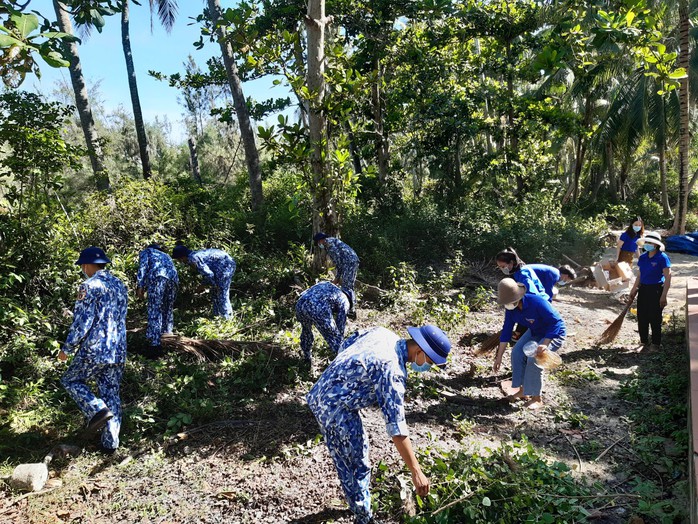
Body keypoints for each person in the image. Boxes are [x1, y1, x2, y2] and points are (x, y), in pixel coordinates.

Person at [307, 325, 451, 524]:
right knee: (355, 462)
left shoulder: (383, 333)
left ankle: (358, 506)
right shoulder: (393, 372)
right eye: (430, 362)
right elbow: (397, 429)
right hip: (333, 407)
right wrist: (416, 471)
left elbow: (347, 344)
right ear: (419, 351)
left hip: (325, 388)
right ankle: (364, 517)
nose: (428, 367)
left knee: (357, 452)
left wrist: (352, 382)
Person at [59, 247, 128, 454]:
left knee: (70, 380)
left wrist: (67, 348)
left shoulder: (88, 286)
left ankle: (96, 409)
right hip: (117, 348)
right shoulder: (119, 284)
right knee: (111, 393)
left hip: (95, 348)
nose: (82, 269)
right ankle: (110, 445)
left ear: (88, 265)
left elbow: (83, 322)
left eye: (82, 265)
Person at [492, 278, 566, 410]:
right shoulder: (511, 309)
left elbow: (556, 322)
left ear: (518, 297)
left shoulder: (536, 302)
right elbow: (506, 331)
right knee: (517, 353)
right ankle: (523, 390)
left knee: (534, 359)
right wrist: (499, 357)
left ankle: (537, 398)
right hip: (535, 331)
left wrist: (545, 343)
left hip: (553, 333)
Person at [628, 231, 671, 350]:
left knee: (655, 316)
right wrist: (633, 289)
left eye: (650, 243)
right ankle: (644, 341)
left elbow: (668, 276)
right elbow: (640, 275)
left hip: (656, 289)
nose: (648, 244)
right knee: (642, 315)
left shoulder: (662, 257)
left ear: (656, 245)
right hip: (644, 289)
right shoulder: (643, 258)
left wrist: (664, 295)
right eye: (646, 242)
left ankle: (656, 343)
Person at [172, 242, 236, 319]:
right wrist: (210, 284)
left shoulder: (193, 259)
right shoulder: (194, 256)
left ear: (182, 257)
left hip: (225, 266)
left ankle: (227, 318)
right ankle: (217, 317)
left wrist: (202, 286)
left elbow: (209, 274)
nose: (180, 262)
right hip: (222, 267)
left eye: (179, 259)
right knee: (214, 292)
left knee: (221, 292)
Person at [136, 243, 178, 359]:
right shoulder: (166, 255)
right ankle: (167, 339)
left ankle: (154, 346)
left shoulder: (147, 252)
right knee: (167, 310)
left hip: (158, 278)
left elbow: (143, 267)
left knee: (155, 309)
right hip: (173, 280)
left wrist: (140, 286)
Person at [295, 281, 350, 364]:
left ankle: (306, 357)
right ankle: (344, 363)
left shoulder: (329, 285)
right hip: (317, 307)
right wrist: (339, 340)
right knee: (336, 338)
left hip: (300, 303)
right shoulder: (345, 299)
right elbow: (340, 323)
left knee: (306, 331)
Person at [313, 232, 359, 319]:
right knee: (347, 285)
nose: (319, 245)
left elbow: (339, 262)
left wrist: (337, 278)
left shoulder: (330, 245)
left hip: (349, 262)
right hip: (348, 261)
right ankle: (350, 309)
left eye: (318, 243)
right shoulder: (330, 242)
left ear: (321, 240)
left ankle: (351, 311)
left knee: (347, 285)